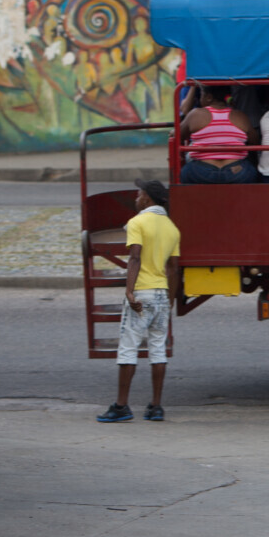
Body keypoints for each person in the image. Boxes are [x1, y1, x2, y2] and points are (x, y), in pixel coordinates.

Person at [97, 179, 181, 423]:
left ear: (147, 199)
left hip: (142, 292)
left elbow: (134, 258)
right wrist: (170, 299)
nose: (136, 199)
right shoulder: (172, 228)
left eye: (138, 194)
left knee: (128, 348)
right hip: (162, 295)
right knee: (157, 348)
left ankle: (121, 406)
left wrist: (130, 291)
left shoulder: (137, 222)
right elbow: (173, 269)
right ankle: (156, 407)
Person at [178, 84, 259, 184]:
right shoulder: (240, 116)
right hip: (237, 172)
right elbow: (255, 141)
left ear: (208, 97)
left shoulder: (196, 114)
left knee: (184, 172)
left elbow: (178, 135)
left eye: (202, 94)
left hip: (200, 172)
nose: (200, 98)